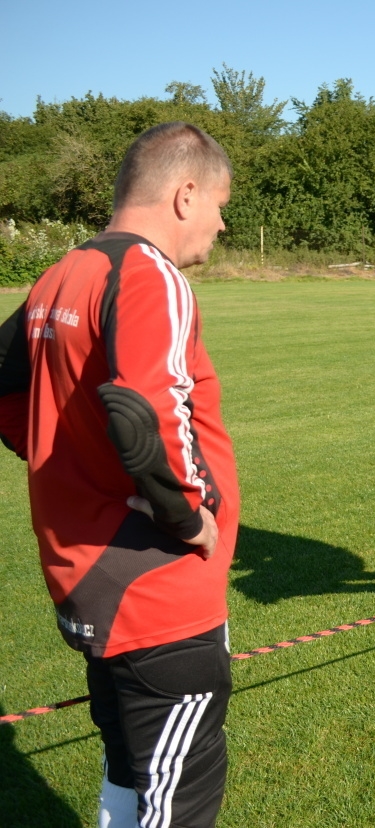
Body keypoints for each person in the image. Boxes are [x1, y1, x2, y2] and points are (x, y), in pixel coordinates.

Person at [0, 122, 238, 827]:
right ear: (185, 194)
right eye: (220, 204)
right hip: (157, 591)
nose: (222, 224)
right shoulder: (149, 273)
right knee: (178, 800)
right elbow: (149, 412)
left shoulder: (62, 272)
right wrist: (190, 516)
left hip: (87, 579)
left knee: (128, 773)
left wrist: (63, 456)